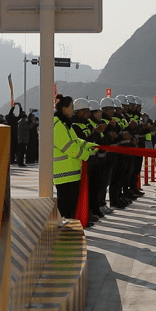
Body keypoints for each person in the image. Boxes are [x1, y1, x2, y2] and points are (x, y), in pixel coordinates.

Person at [53, 95, 97, 224]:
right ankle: (64, 229)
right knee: (65, 206)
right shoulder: (57, 124)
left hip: (71, 171)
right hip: (64, 172)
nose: (73, 110)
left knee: (71, 205)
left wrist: (89, 146)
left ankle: (69, 227)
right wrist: (86, 155)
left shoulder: (65, 123)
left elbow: (76, 141)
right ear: (64, 108)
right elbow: (68, 147)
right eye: (71, 107)